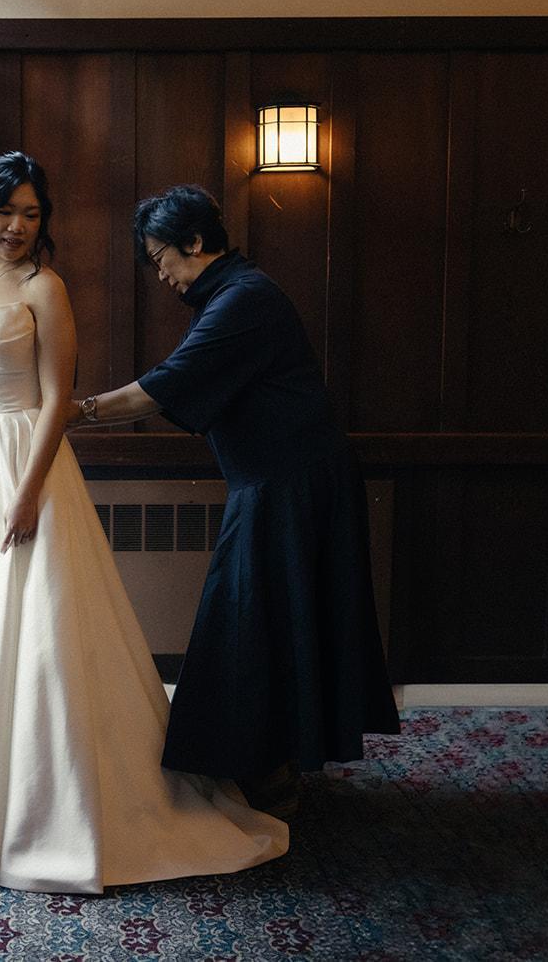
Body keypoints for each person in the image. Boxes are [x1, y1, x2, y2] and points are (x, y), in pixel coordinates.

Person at [0, 153, 287, 894]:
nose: (17, 225)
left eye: (32, 213)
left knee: (25, 626)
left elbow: (55, 399)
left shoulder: (47, 288)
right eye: (6, 210)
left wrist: (28, 490)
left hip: (23, 460)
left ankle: (22, 808)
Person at [64, 184, 400, 817]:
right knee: (269, 621)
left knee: (259, 622)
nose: (160, 274)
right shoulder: (233, 295)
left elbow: (162, 388)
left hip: (291, 484)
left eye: (161, 257)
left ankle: (268, 774)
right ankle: (270, 768)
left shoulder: (244, 299)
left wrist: (72, 413)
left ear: (195, 242)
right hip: (281, 481)